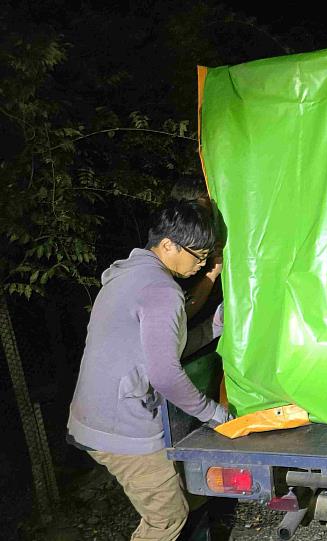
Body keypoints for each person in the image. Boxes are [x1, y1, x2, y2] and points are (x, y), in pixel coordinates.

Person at [67, 200, 231, 541]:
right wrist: (214, 413)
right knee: (167, 518)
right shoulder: (161, 290)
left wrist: (213, 328)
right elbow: (165, 374)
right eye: (198, 255)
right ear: (168, 244)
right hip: (121, 426)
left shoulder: (130, 275)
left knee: (191, 493)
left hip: (97, 414)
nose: (202, 265)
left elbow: (158, 348)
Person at [168, 176, 222, 322]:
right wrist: (212, 273)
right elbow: (180, 317)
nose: (206, 222)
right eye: (202, 213)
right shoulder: (173, 249)